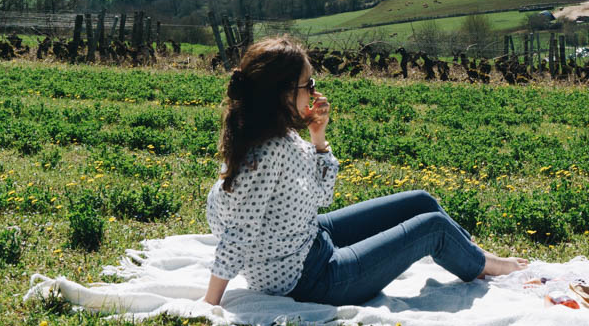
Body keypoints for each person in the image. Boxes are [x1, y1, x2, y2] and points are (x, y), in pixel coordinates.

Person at [203, 36, 527, 306]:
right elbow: (238, 232)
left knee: (421, 201)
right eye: (308, 84)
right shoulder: (266, 153)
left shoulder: (271, 136)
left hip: (309, 241)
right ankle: (489, 266)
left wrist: (318, 137)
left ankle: (473, 255)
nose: (315, 92)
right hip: (311, 280)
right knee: (433, 228)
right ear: (284, 93)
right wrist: (211, 303)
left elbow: (321, 195)